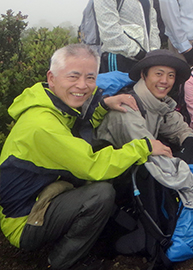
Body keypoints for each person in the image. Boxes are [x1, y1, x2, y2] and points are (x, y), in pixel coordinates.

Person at [0, 44, 172, 270]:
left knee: (101, 161)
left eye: (90, 77)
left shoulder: (49, 104)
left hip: (41, 196)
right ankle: (61, 261)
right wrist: (144, 147)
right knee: (100, 194)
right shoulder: (42, 126)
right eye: (74, 76)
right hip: (24, 220)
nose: (82, 85)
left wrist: (101, 106)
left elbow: (76, 129)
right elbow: (93, 166)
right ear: (51, 78)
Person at [96, 50, 193, 200]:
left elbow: (178, 127)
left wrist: (189, 144)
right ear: (144, 75)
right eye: (158, 74)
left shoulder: (157, 103)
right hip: (115, 184)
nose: (165, 80)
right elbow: (153, 159)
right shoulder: (127, 110)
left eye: (171, 76)